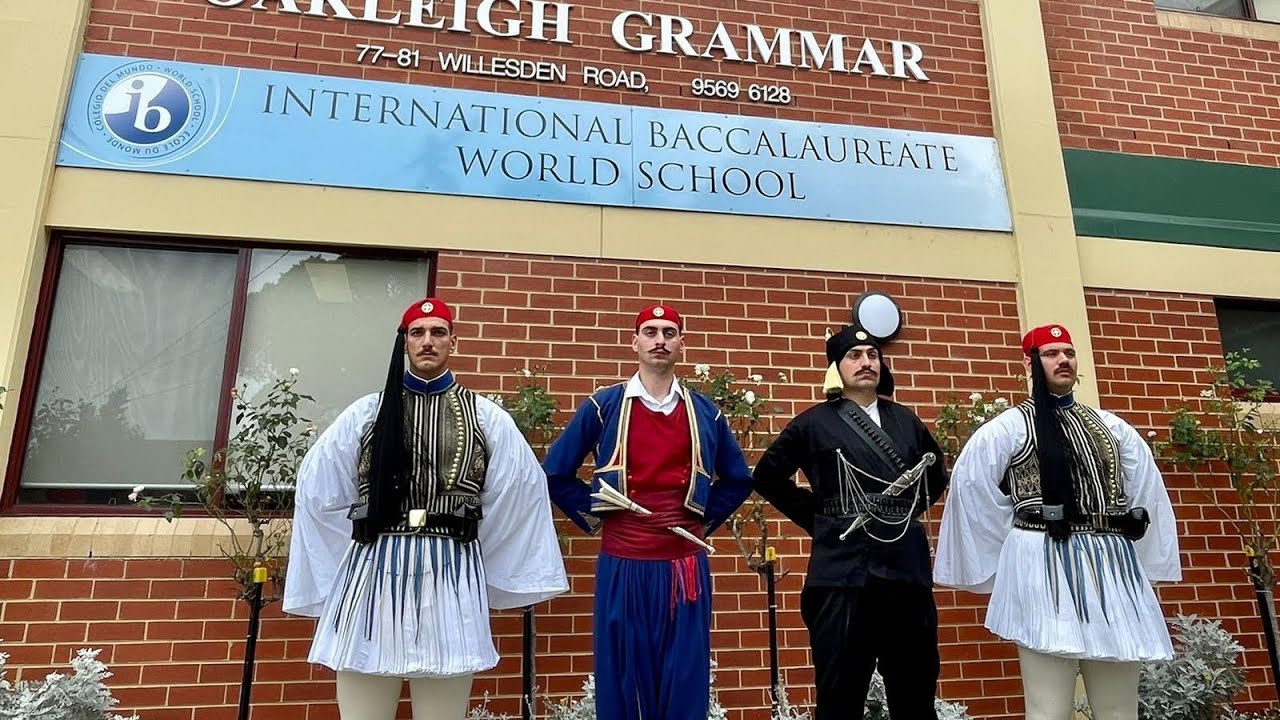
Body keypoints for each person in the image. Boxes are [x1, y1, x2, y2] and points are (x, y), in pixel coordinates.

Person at [282, 298, 568, 720]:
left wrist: (479, 565)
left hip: (451, 569)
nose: (428, 341)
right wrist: (341, 565)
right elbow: (317, 492)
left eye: (437, 332)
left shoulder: (487, 418)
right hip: (374, 567)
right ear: (405, 343)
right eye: (418, 333)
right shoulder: (366, 414)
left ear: (453, 340)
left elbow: (517, 496)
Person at [934, 323, 1182, 720]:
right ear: (1031, 364)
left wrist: (1146, 566)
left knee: (1120, 708)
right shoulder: (1009, 428)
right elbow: (972, 491)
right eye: (1051, 354)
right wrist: (1014, 552)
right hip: (1042, 564)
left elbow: (1146, 494)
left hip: (1112, 565)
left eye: (1068, 352)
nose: (1062, 359)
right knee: (1048, 707)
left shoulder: (1113, 428)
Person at [541, 303, 754, 720]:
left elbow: (738, 479)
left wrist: (700, 522)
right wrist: (598, 509)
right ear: (634, 341)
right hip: (624, 561)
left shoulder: (706, 411)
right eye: (651, 332)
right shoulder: (605, 404)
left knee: (686, 673)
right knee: (622, 674)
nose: (660, 340)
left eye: (669, 333)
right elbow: (556, 472)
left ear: (681, 344)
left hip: (684, 567)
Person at [751, 323, 950, 720]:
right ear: (836, 369)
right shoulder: (813, 423)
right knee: (840, 696)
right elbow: (767, 476)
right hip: (842, 576)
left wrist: (896, 516)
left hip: (906, 573)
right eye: (854, 357)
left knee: (915, 694)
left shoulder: (906, 421)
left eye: (873, 355)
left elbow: (935, 476)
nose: (865, 363)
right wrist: (820, 518)